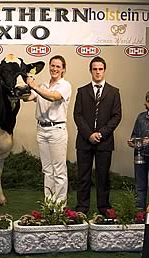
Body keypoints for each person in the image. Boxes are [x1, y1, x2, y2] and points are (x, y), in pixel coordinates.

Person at [73, 56, 122, 217]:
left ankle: (104, 207)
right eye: (95, 69)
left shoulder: (114, 92)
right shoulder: (82, 91)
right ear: (90, 71)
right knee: (83, 177)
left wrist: (101, 133)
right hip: (84, 141)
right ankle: (82, 207)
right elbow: (77, 115)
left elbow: (116, 116)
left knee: (103, 177)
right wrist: (89, 134)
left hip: (104, 141)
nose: (98, 72)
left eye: (100, 69)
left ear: (104, 70)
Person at [25, 55, 72, 204]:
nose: (54, 69)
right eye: (52, 65)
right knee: (47, 170)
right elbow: (27, 97)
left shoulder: (65, 85)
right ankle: (49, 204)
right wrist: (21, 85)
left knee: (59, 169)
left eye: (58, 66)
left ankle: (60, 205)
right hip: (41, 129)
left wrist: (34, 86)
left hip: (56, 130)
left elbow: (53, 97)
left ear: (63, 69)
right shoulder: (43, 85)